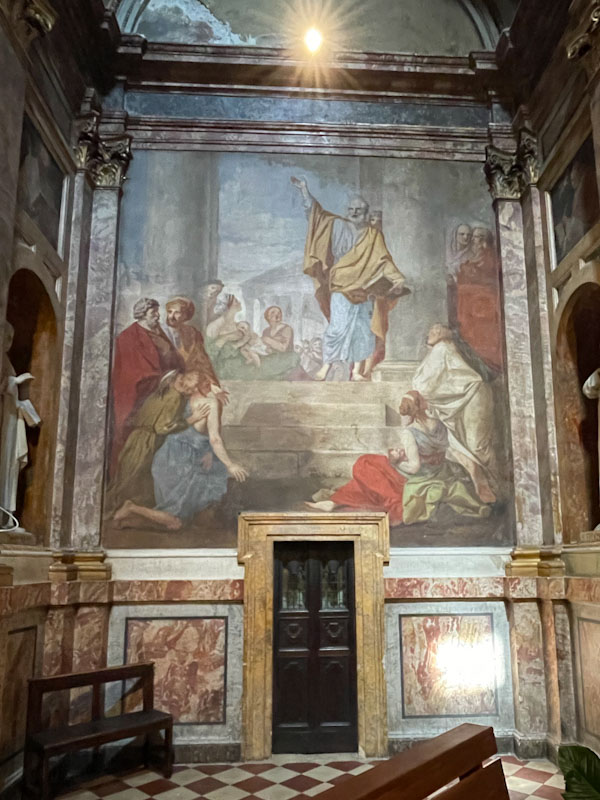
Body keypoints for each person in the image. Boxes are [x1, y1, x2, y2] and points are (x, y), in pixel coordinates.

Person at [306, 391, 488, 525]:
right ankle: (333, 502)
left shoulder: (410, 433)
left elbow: (414, 467)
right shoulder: (440, 425)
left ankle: (337, 502)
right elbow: (439, 451)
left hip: (415, 476)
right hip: (439, 471)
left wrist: (398, 462)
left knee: (365, 463)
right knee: (370, 475)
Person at [291, 176, 408, 381]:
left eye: (359, 210)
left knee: (362, 330)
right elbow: (316, 215)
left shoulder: (373, 235)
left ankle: (356, 372)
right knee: (337, 328)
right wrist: (304, 191)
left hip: (364, 288)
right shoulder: (337, 225)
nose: (354, 213)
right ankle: (326, 367)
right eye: (351, 209)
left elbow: (383, 260)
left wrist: (397, 278)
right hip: (341, 285)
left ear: (366, 213)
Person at [114, 371, 249, 530]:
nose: (211, 385)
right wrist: (230, 465)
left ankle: (126, 522)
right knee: (176, 520)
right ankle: (131, 508)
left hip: (165, 458)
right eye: (208, 382)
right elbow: (214, 439)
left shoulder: (180, 397)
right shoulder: (209, 403)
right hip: (179, 464)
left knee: (177, 521)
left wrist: (209, 452)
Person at [412, 323, 498, 503]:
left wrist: (413, 396)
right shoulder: (440, 350)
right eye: (431, 330)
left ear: (442, 333)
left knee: (477, 446)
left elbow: (424, 385)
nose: (430, 333)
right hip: (463, 400)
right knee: (457, 443)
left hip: (473, 398)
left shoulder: (442, 348)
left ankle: (495, 486)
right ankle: (484, 485)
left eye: (434, 330)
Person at [107, 369, 202, 518]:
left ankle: (122, 511)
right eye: (195, 386)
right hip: (147, 443)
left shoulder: (166, 386)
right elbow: (161, 427)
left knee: (126, 478)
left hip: (136, 438)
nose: (195, 390)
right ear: (187, 383)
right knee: (131, 481)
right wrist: (191, 420)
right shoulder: (175, 397)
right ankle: (120, 512)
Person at [110, 297, 183, 473]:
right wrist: (163, 379)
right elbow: (133, 373)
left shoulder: (156, 331)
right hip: (142, 395)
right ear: (142, 315)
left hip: (166, 386)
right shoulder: (129, 337)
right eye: (153, 313)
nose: (158, 316)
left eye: (157, 312)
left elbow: (173, 357)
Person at [0, 323, 41, 521]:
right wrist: (13, 382)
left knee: (8, 465)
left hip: (8, 420)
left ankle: (5, 515)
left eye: (10, 338)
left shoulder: (6, 360)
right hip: (5, 419)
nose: (8, 342)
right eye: (6, 337)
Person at [453, 226, 503, 372]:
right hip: (467, 304)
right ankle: (477, 366)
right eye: (475, 237)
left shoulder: (490, 257)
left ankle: (489, 366)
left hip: (483, 303)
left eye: (481, 237)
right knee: (469, 333)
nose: (476, 240)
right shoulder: (472, 258)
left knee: (483, 335)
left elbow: (489, 279)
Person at [164, 295, 227, 402]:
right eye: (170, 312)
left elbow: (202, 359)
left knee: (213, 400)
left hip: (191, 379)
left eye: (177, 313)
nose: (171, 316)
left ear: (185, 316)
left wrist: (212, 383)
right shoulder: (159, 332)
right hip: (167, 381)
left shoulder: (192, 333)